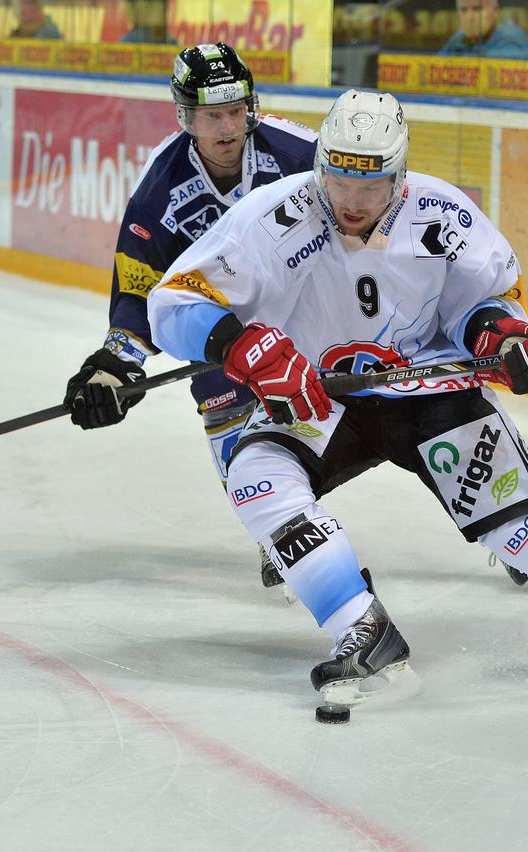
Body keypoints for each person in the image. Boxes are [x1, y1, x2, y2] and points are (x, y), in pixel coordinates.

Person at [146, 89, 528, 707]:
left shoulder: (444, 212)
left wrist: (501, 334)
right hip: (321, 397)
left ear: (401, 172)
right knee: (255, 476)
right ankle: (362, 631)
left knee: (523, 532)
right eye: (338, 178)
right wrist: (245, 347)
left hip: (427, 389)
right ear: (320, 165)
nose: (352, 201)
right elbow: (173, 302)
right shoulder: (272, 216)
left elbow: (485, 303)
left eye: (373, 184)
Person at [63, 43, 319, 591]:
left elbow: (372, 199)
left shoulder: (301, 153)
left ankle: (506, 510)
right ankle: (286, 532)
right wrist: (113, 366)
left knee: (414, 401)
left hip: (316, 316)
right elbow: (139, 293)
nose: (228, 127)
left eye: (235, 111)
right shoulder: (157, 189)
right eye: (211, 115)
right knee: (241, 447)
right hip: (223, 343)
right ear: (185, 116)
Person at [438, 0, 528, 59]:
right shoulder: (460, 38)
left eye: (477, 9)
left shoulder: (510, 39)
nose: (470, 18)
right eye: (463, 10)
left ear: (495, 10)